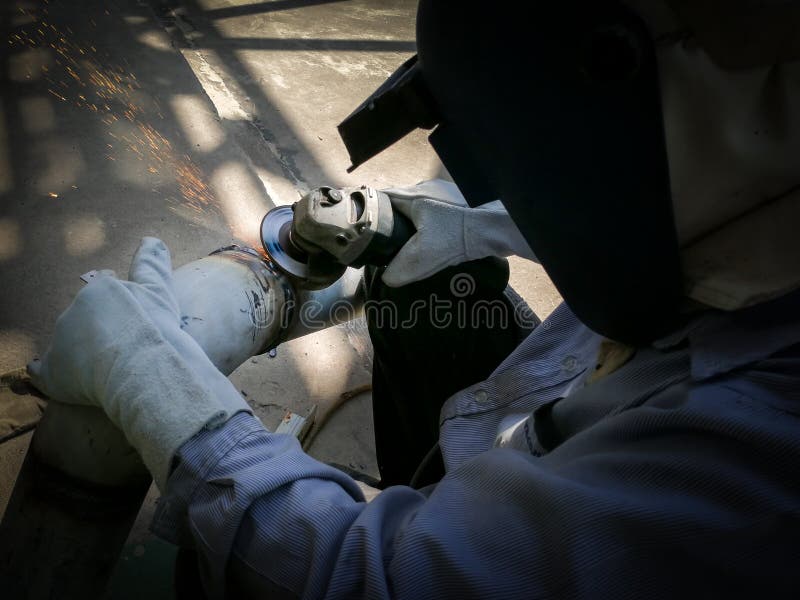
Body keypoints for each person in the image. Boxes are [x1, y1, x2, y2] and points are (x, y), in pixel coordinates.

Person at [28, 1, 800, 598]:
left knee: (225, 568)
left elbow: (375, 582)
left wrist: (153, 382)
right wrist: (445, 222)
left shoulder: (750, 451)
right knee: (421, 274)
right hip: (572, 410)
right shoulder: (748, 235)